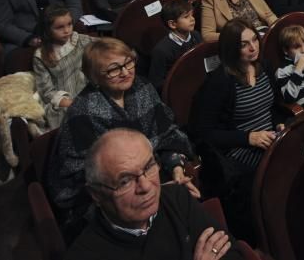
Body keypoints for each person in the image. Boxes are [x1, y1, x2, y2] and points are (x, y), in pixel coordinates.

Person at [47, 38, 196, 219]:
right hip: (109, 200)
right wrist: (151, 188)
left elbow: (167, 136)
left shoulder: (143, 87)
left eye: (129, 62)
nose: (125, 72)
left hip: (155, 176)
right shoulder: (82, 114)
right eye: (113, 69)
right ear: (94, 77)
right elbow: (80, 180)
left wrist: (175, 168)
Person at [65, 127, 237, 260]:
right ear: (96, 194)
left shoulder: (177, 197)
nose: (146, 186)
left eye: (148, 167)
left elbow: (233, 253)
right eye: (125, 181)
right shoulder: (83, 254)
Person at [192, 19, 284, 237]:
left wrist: (280, 123)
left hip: (270, 138)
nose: (253, 48)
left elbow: (276, 106)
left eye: (255, 40)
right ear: (231, 49)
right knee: (275, 181)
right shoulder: (221, 81)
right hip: (238, 149)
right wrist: (248, 138)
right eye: (244, 44)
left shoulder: (265, 66)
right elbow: (201, 132)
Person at [32, 5, 96, 129]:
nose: (67, 30)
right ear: (48, 29)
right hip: (63, 101)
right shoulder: (41, 56)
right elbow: (46, 91)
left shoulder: (79, 40)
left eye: (69, 24)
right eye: (60, 27)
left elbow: (103, 45)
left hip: (87, 91)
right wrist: (72, 103)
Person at [149, 0, 201, 92]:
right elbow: (156, 82)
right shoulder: (162, 50)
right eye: (186, 17)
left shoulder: (196, 35)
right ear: (172, 24)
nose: (192, 19)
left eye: (192, 15)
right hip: (179, 89)